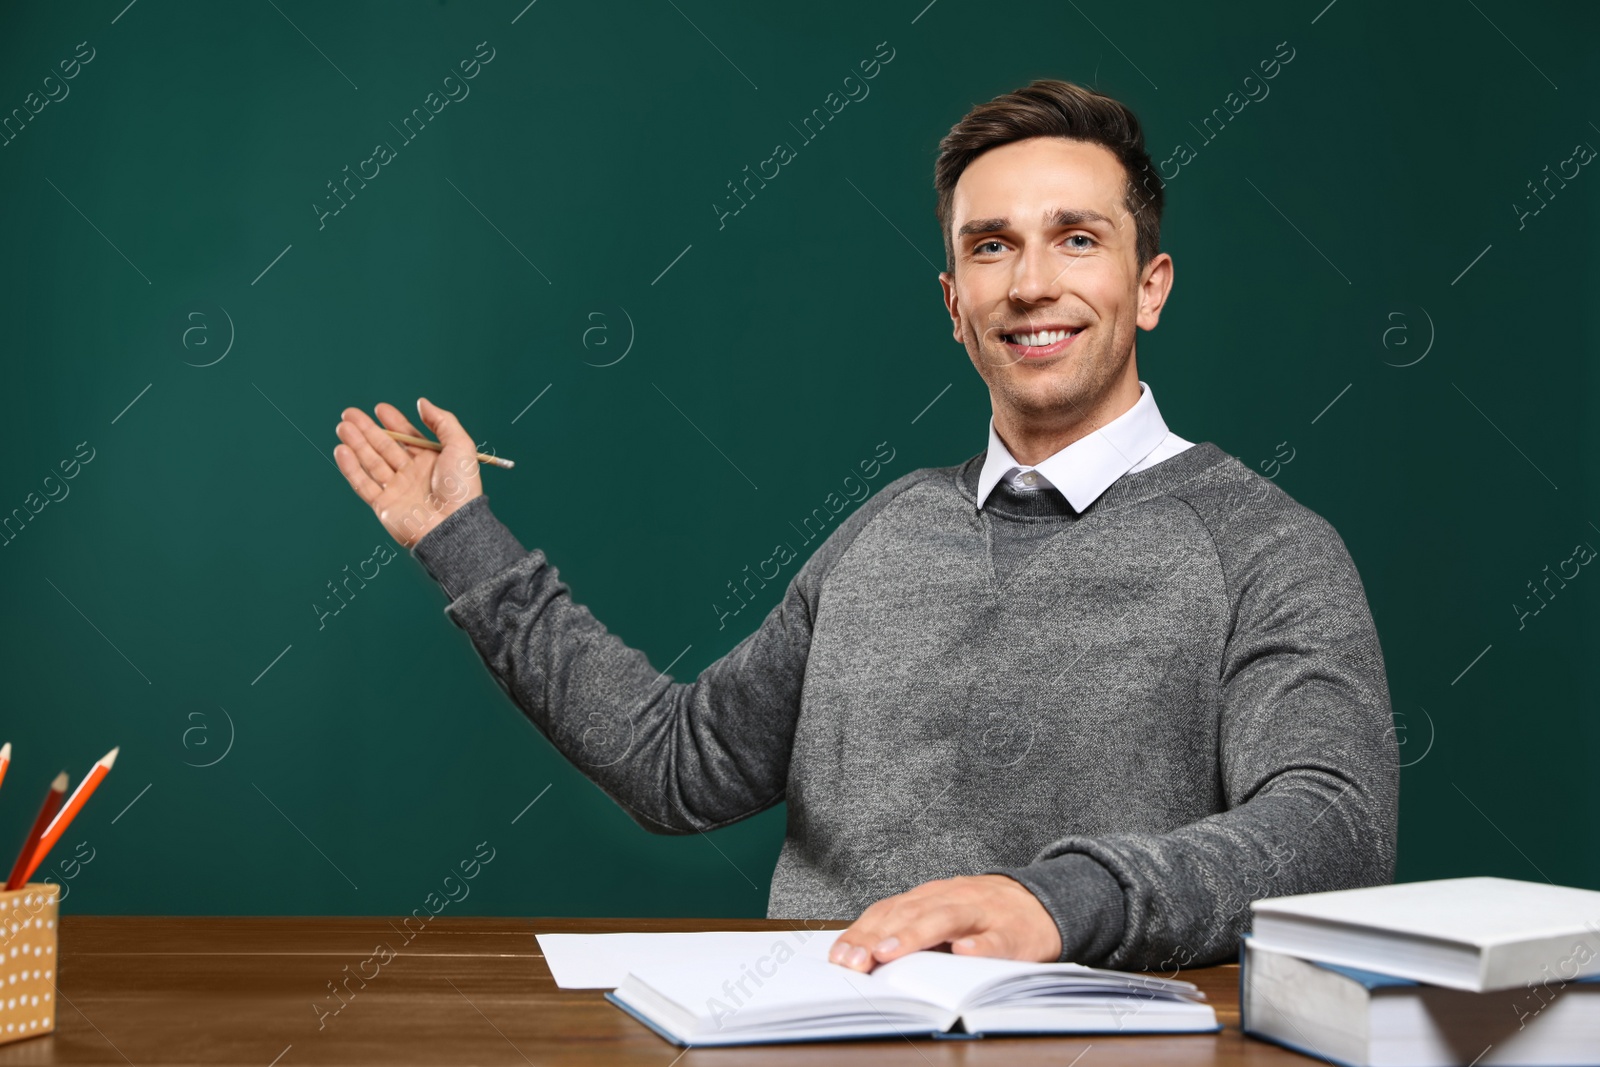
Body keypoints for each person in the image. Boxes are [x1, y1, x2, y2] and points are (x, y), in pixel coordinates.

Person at [333, 79, 1398, 976]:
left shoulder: (1266, 546)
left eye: (1076, 239)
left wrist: (1063, 902)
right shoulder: (884, 532)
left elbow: (1335, 825)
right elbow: (677, 762)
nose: (1031, 285)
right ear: (951, 300)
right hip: (815, 1036)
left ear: (1148, 283)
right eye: (990, 248)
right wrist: (460, 535)